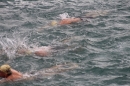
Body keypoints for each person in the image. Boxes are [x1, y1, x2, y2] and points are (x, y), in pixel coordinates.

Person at [0, 63, 78, 83]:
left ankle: (70, 68)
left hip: (33, 78)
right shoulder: (11, 70)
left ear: (5, 73)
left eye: (0, 72)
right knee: (48, 70)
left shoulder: (10, 79)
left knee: (52, 73)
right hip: (30, 74)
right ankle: (64, 65)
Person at [38, 10, 109, 30]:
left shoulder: (63, 22)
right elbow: (48, 25)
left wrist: (82, 20)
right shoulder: (61, 21)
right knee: (93, 14)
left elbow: (74, 20)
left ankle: (105, 12)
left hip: (78, 19)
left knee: (94, 15)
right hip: (76, 18)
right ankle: (104, 12)